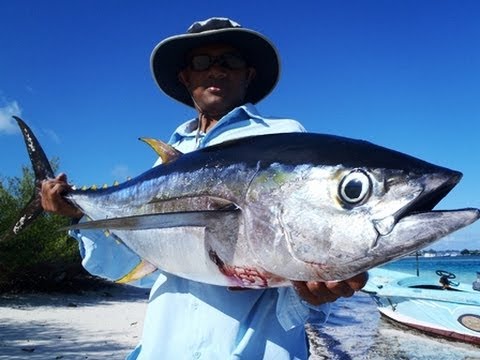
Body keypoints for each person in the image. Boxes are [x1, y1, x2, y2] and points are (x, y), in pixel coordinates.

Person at [41, 17, 368, 360]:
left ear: (248, 74)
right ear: (186, 77)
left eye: (230, 60)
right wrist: (80, 215)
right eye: (202, 62)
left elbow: (300, 254)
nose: (216, 70)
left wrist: (315, 294)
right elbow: (124, 267)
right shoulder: (165, 163)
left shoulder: (283, 137)